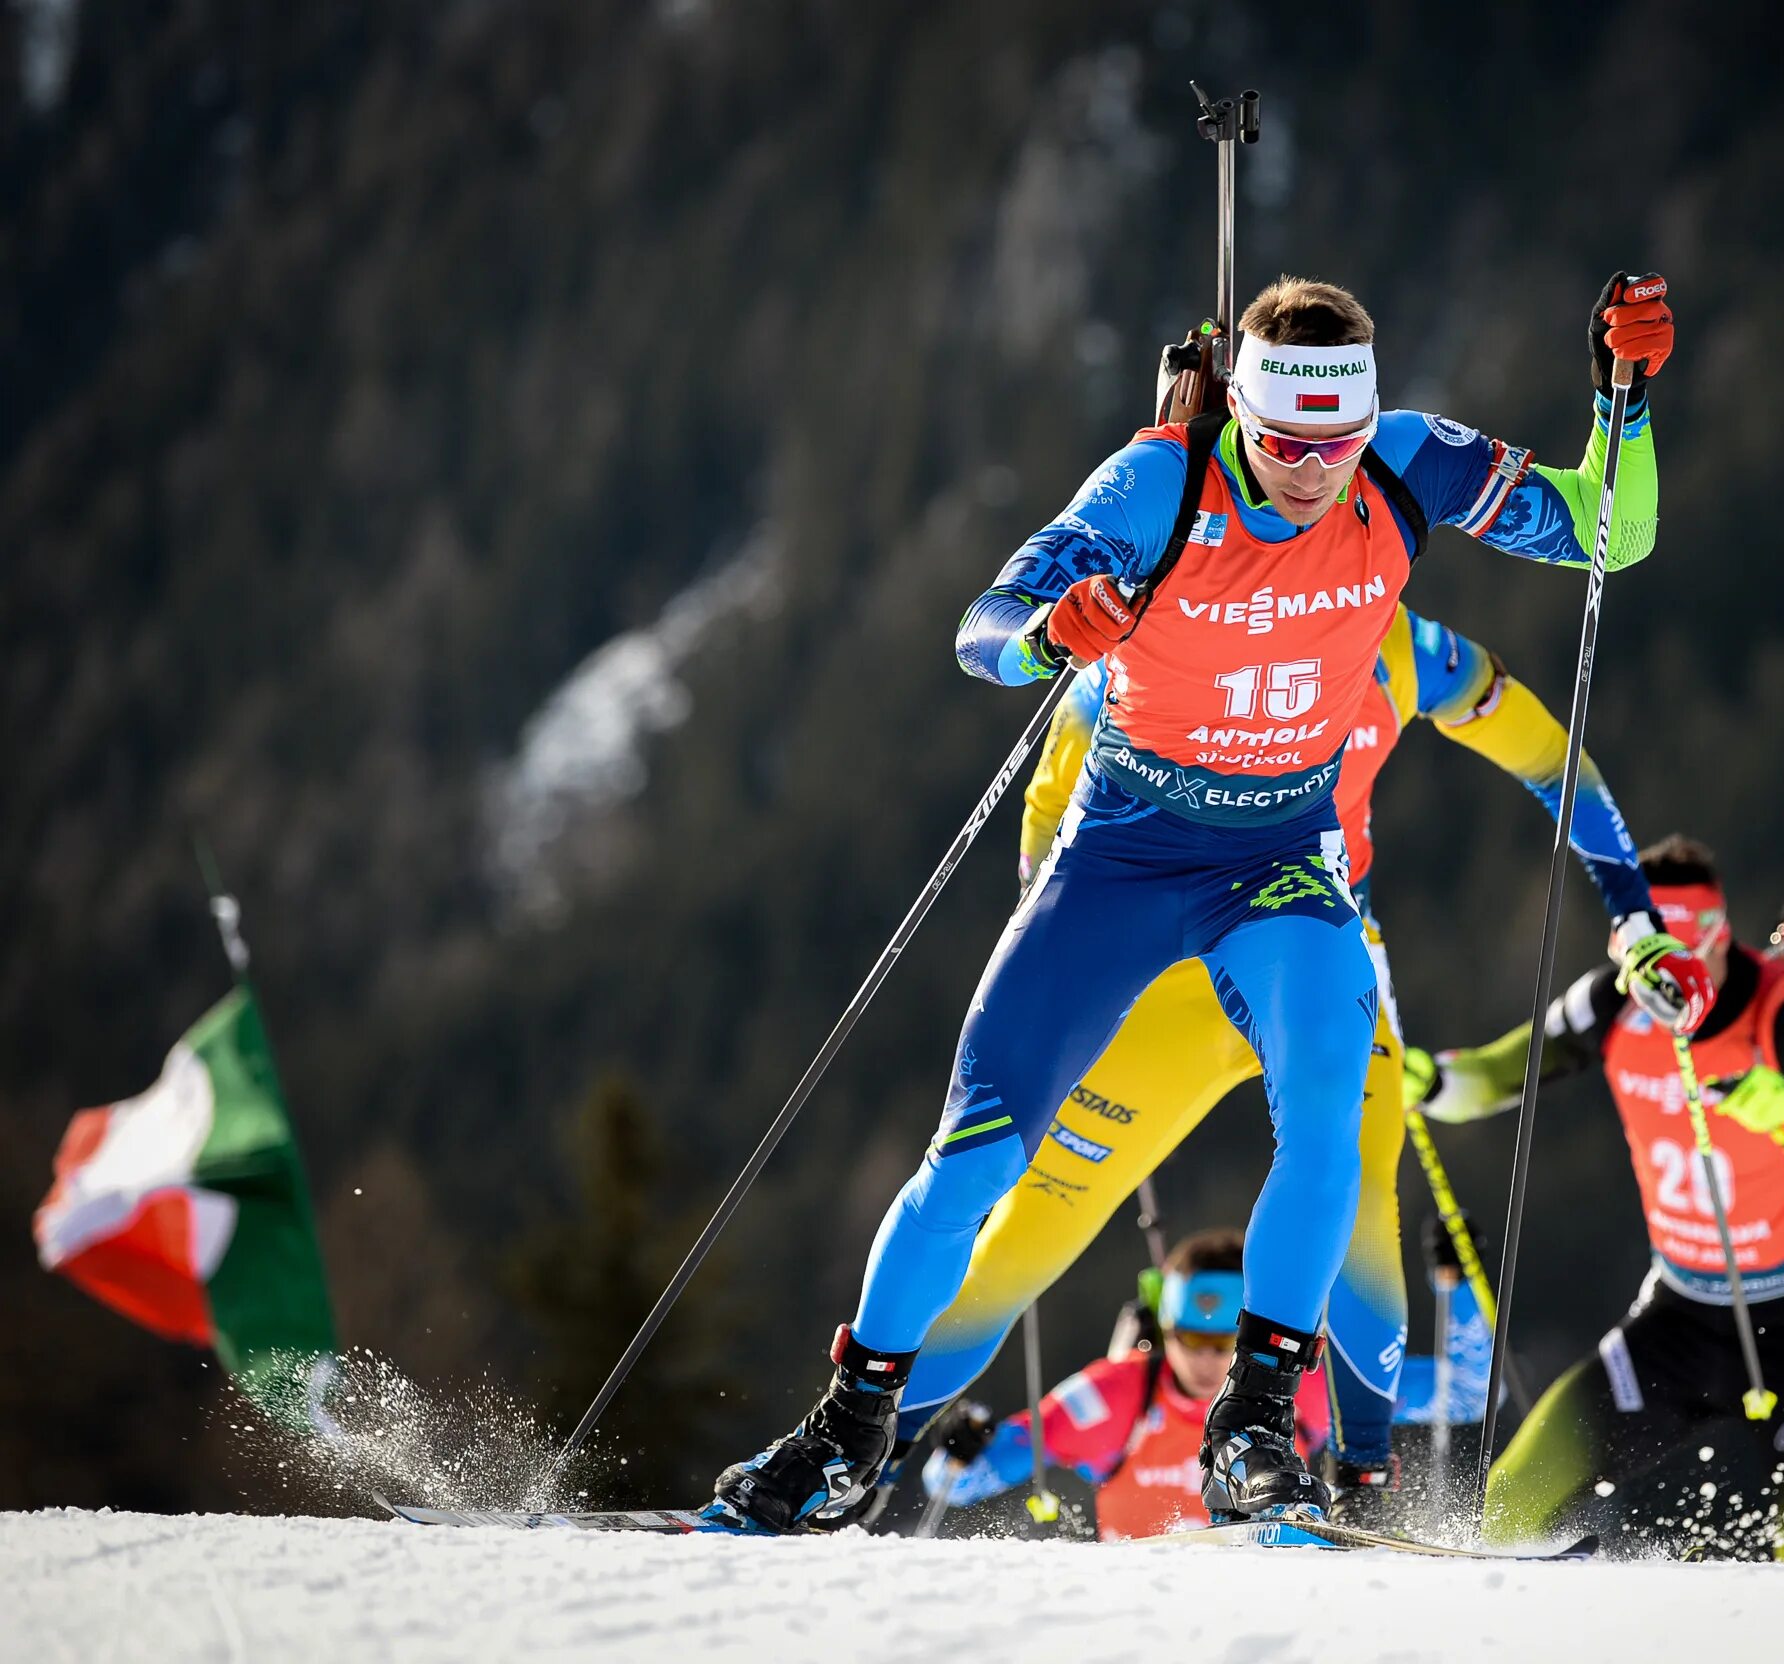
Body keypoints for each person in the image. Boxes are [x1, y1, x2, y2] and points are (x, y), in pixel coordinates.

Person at [708, 270, 1692, 1534]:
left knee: (1330, 1119)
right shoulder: (1157, 484)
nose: (1313, 472)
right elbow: (981, 625)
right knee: (974, 1160)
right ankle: (845, 1430)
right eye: (1284, 444)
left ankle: (1257, 1425)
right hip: (1121, 859)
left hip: (1279, 858)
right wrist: (1050, 631)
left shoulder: (1406, 466)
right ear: (1241, 413)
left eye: (1337, 443)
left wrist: (1623, 401)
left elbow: (1610, 534)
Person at [879, 596, 1660, 1528]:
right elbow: (1056, 781)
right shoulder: (1177, 610)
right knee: (1022, 1237)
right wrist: (1059, 950)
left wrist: (1633, 908)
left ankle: (1362, 1488)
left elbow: (1551, 761)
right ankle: (863, 1456)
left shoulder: (1402, 645)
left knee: (1361, 1198)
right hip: (1169, 982)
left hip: (1318, 966)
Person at [1404, 835, 1784, 1554]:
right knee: (1513, 1502)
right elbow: (1497, 1074)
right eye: (1652, 961)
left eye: (1687, 954)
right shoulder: (1609, 1003)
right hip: (1679, 1316)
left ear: (1719, 935)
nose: (1671, 985)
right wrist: (1432, 1080)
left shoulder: (1782, 1009)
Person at [919, 1230, 1331, 1541]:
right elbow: (953, 1483)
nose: (1206, 1360)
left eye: (1226, 1344)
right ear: (1165, 1328)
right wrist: (960, 1448)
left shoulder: (1298, 1386)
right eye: (1190, 1339)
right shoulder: (1115, 1395)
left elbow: (1371, 1416)